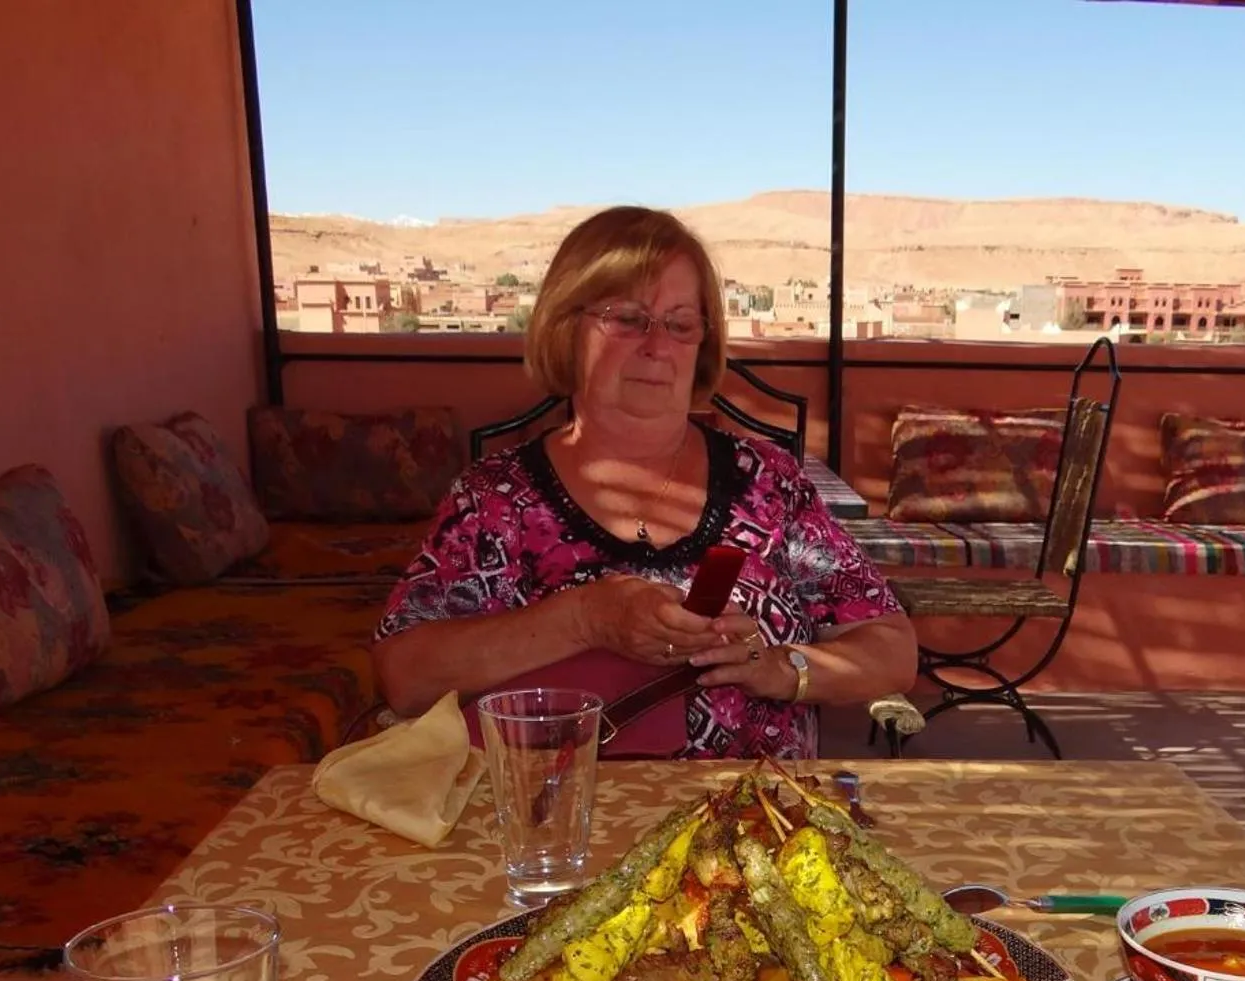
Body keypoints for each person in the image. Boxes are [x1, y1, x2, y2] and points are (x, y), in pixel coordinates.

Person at [373, 205, 915, 758]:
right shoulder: (495, 499)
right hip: (566, 810)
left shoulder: (767, 483)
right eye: (628, 318)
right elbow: (405, 676)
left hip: (757, 810)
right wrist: (586, 618)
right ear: (566, 328)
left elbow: (892, 648)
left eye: (680, 324)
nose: (657, 347)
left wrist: (782, 668)